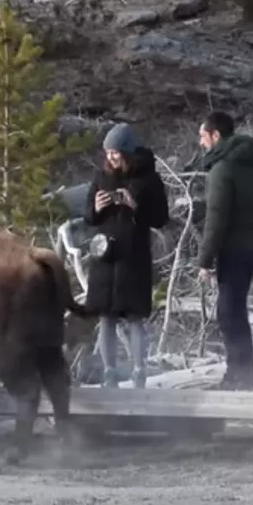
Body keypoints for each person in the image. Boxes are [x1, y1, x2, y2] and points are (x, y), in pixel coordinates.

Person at [196, 111, 253, 390]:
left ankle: (240, 377)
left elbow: (216, 219)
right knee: (233, 309)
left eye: (203, 136)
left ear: (216, 136)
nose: (201, 143)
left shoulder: (222, 170)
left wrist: (204, 261)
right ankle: (240, 375)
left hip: (233, 248)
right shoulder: (251, 160)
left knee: (229, 312)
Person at [83, 122, 170, 388]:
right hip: (105, 255)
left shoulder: (149, 179)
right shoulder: (101, 177)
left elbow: (160, 219)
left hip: (133, 257)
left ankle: (139, 370)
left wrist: (136, 208)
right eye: (108, 153)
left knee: (134, 317)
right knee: (105, 317)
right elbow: (88, 217)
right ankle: (109, 372)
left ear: (128, 152)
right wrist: (96, 208)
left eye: (116, 153)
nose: (111, 157)